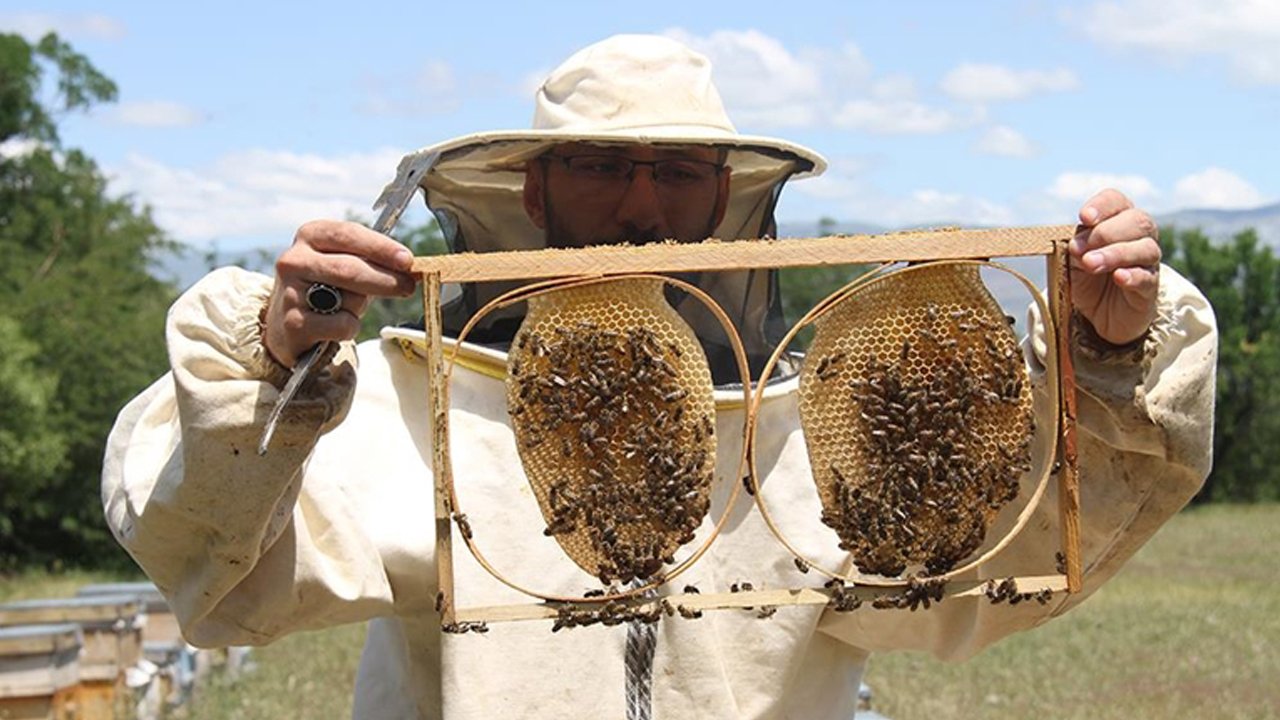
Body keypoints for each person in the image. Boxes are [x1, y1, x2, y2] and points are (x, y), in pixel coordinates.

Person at [102, 34, 1216, 719]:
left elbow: (964, 591)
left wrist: (1107, 358)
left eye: (678, 173)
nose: (640, 209)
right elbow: (220, 575)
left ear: (724, 200)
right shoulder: (417, 402)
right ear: (533, 196)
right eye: (597, 168)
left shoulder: (804, 429)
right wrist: (275, 365)